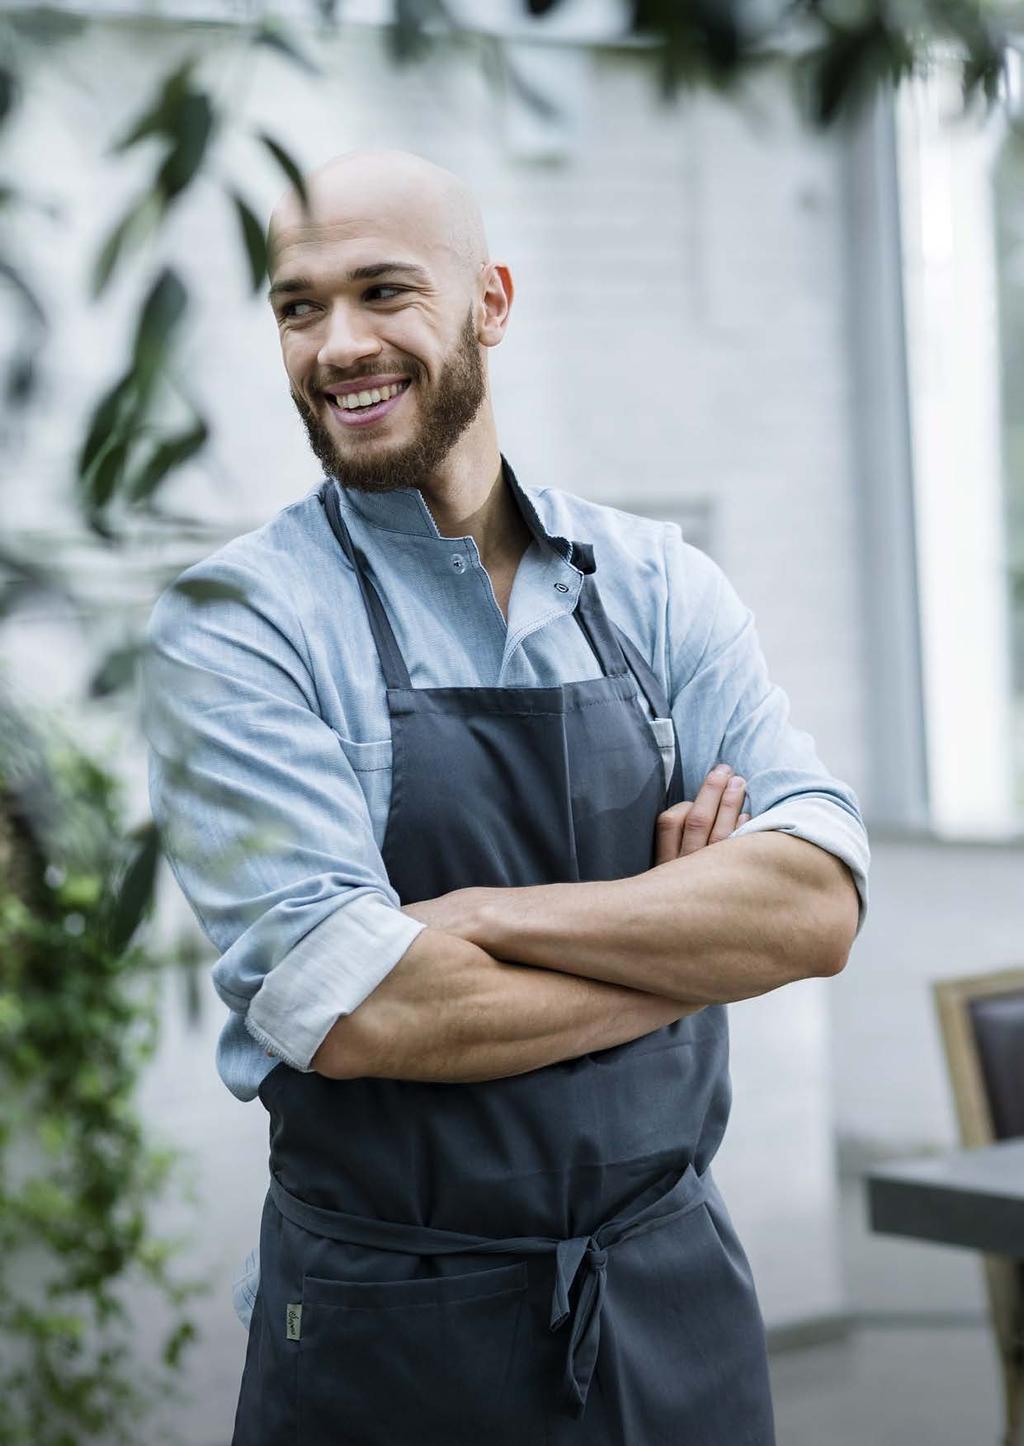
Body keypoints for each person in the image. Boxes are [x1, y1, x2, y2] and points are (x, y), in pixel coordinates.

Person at [142, 148, 870, 1446]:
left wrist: (469, 913)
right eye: (298, 307)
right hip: (391, 1341)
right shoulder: (239, 625)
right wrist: (687, 937)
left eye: (382, 292)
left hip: (671, 1311)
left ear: (493, 300)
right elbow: (360, 1001)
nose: (337, 345)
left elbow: (815, 903)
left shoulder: (653, 583)